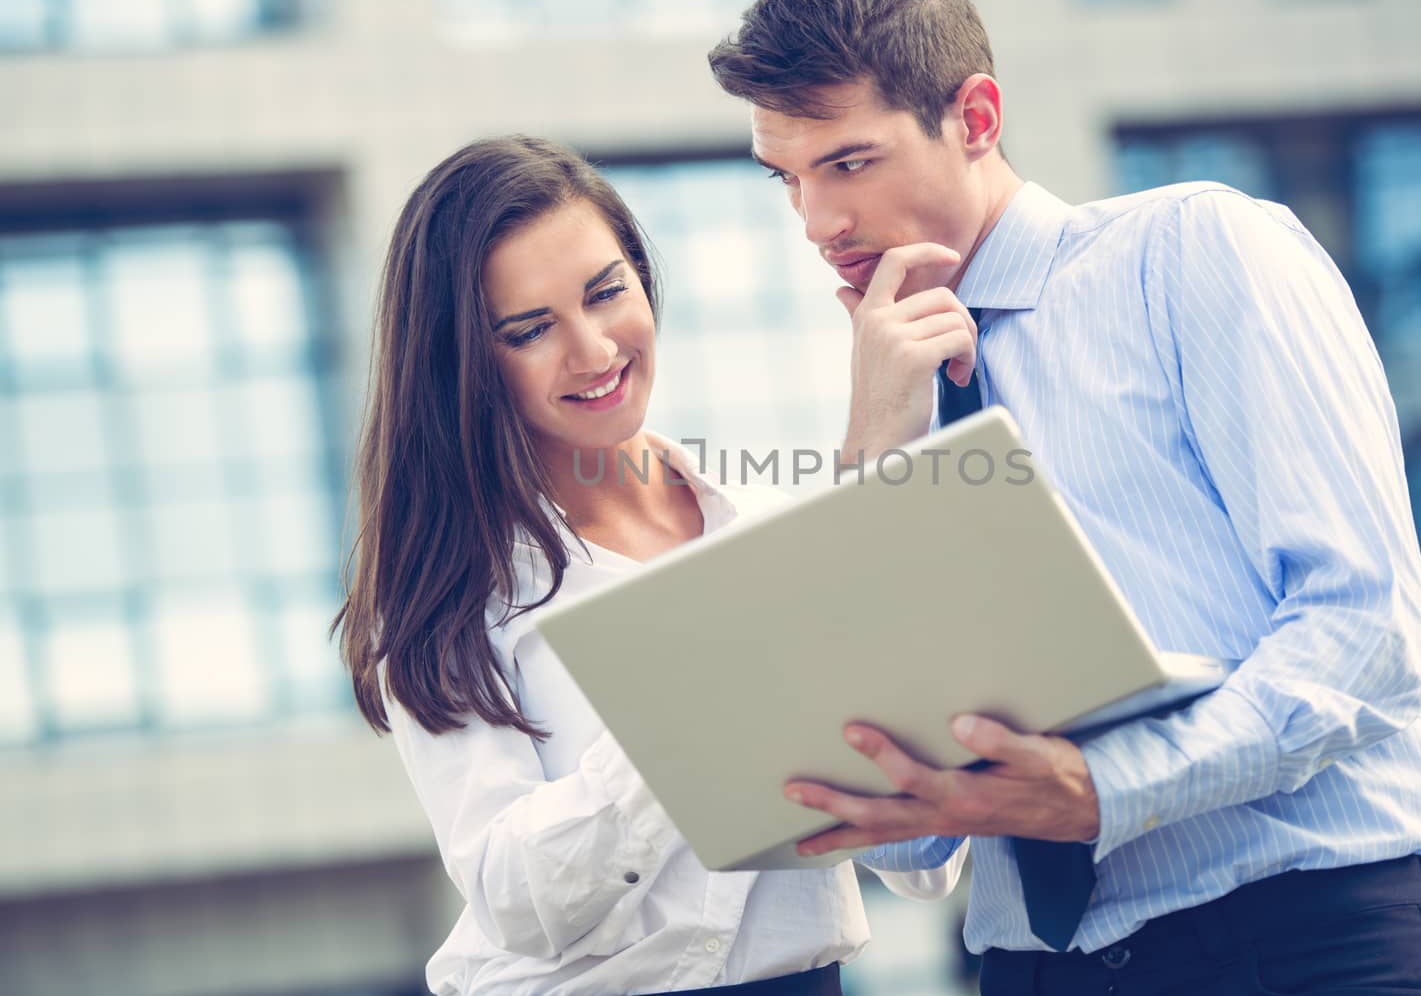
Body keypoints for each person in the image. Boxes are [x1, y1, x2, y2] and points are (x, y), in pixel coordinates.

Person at [707, 0, 1421, 994]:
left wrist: (1102, 788)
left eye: (848, 163)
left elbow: (1364, 632)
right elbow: (901, 849)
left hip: (1293, 942)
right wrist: (872, 454)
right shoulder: (891, 393)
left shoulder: (1195, 254)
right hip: (1036, 973)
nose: (817, 221)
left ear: (974, 118)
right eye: (786, 178)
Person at [333, 135, 960, 996]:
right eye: (529, 330)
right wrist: (719, 696)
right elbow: (516, 899)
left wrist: (880, 518)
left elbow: (923, 865)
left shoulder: (765, 533)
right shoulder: (449, 594)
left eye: (606, 292)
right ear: (467, 364)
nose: (593, 351)